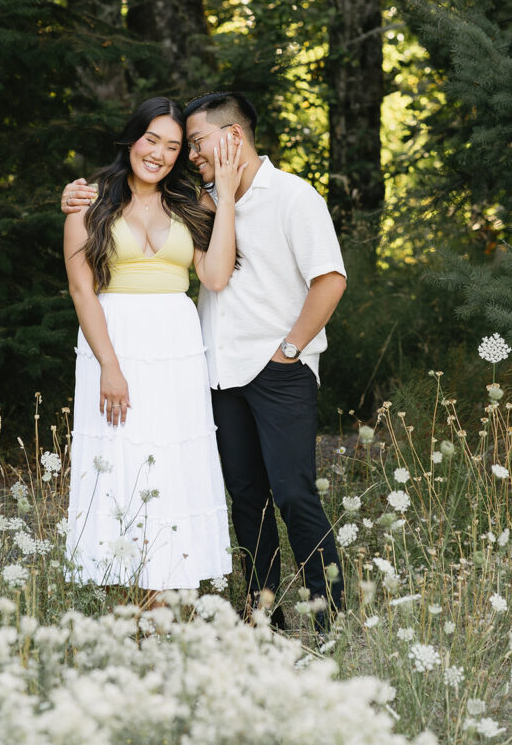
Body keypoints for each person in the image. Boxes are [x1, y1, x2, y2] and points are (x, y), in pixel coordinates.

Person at [63, 91, 347, 626]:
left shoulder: (274, 197)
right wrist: (74, 198)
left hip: (256, 363)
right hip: (205, 366)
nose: (178, 154)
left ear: (232, 137)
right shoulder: (157, 200)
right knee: (241, 495)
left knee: (285, 490)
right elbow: (91, 271)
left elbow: (310, 278)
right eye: (165, 142)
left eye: (187, 144)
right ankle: (261, 614)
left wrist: (291, 350)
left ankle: (331, 611)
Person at [63, 96, 245, 591]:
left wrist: (224, 198)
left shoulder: (191, 204)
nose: (160, 154)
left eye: (173, 146)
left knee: (171, 461)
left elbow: (214, 275)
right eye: (152, 140)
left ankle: (164, 593)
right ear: (132, 139)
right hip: (114, 339)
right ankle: (129, 590)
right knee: (121, 459)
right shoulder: (89, 202)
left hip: (176, 346)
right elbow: (83, 290)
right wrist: (109, 365)